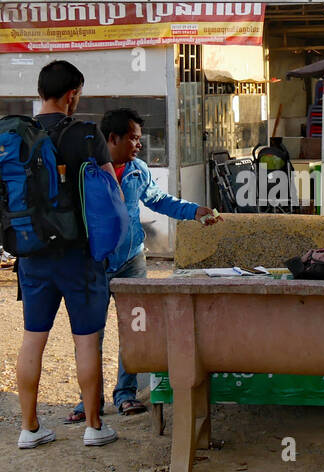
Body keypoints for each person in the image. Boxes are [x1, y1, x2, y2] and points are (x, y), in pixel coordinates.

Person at [67, 107, 217, 422]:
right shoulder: (86, 170)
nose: (139, 144)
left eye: (139, 138)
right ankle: (88, 402)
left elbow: (159, 200)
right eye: (133, 138)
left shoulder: (138, 170)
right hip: (93, 264)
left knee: (134, 331)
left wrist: (194, 211)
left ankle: (126, 395)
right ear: (112, 138)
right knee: (92, 334)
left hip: (132, 260)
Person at [13, 60, 121, 449]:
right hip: (79, 255)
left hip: (32, 254)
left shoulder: (17, 135)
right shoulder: (86, 133)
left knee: (32, 340)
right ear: (72, 93)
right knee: (86, 341)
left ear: (41, 92)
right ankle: (94, 426)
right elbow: (113, 195)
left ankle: (29, 428)